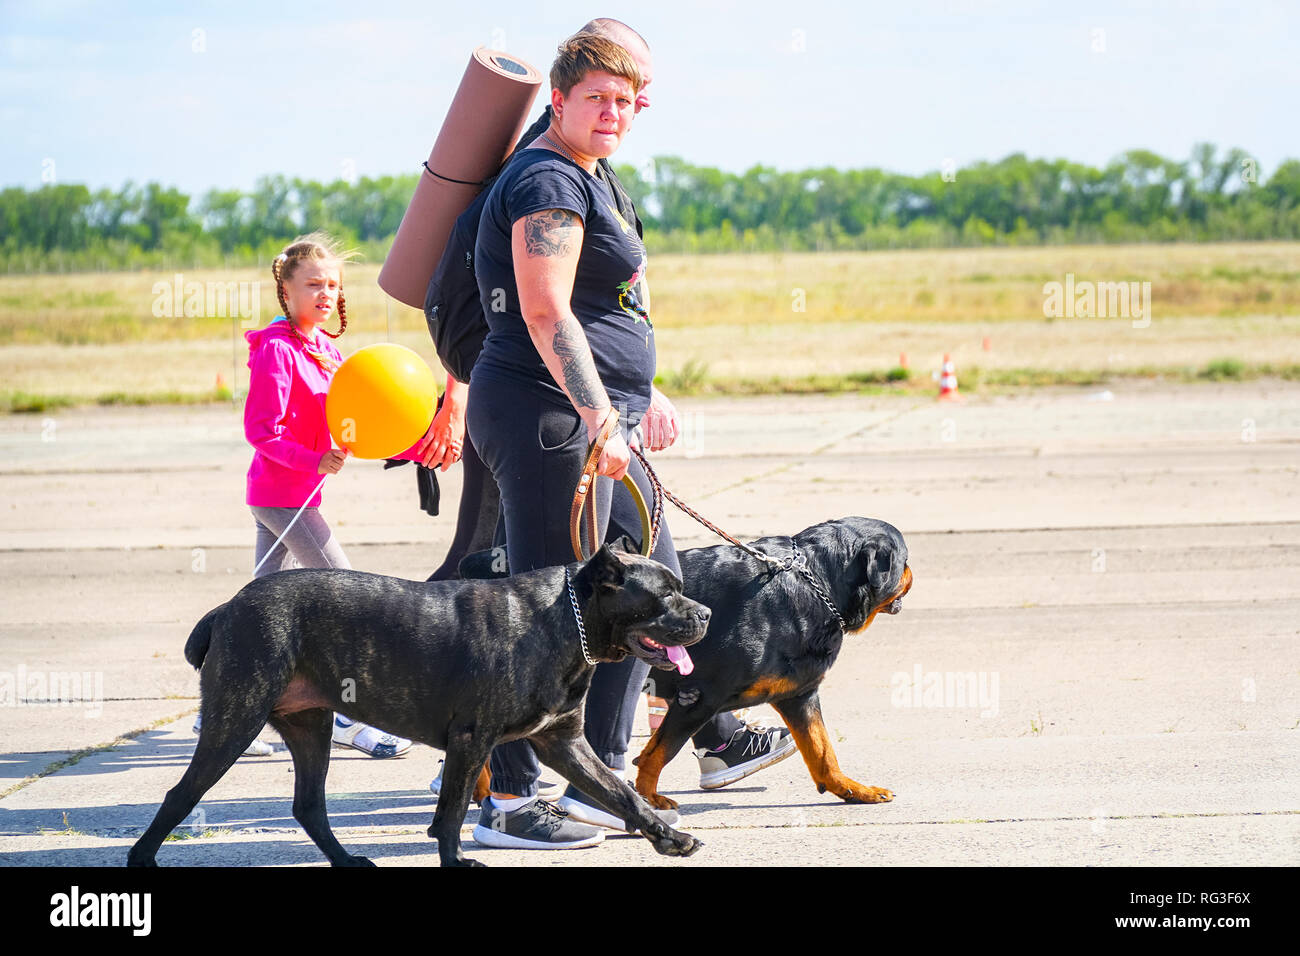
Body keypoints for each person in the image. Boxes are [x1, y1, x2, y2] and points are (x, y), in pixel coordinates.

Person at [426, 20, 794, 812]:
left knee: (651, 603)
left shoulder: (595, 174)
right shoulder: (547, 181)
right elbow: (543, 309)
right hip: (546, 420)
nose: (614, 112)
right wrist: (599, 414)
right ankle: (511, 800)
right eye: (597, 97)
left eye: (628, 101)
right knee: (548, 613)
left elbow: (608, 299)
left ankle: (599, 781)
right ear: (557, 100)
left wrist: (641, 391)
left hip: (596, 423)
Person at [235, 233, 421, 758]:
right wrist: (312, 460)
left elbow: (350, 411)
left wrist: (397, 441)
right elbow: (262, 431)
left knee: (260, 607)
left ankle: (227, 706)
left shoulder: (326, 349)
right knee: (346, 599)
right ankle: (353, 718)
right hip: (282, 496)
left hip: (297, 497)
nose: (324, 293)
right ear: (286, 292)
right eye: (313, 284)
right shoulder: (276, 349)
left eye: (332, 285)